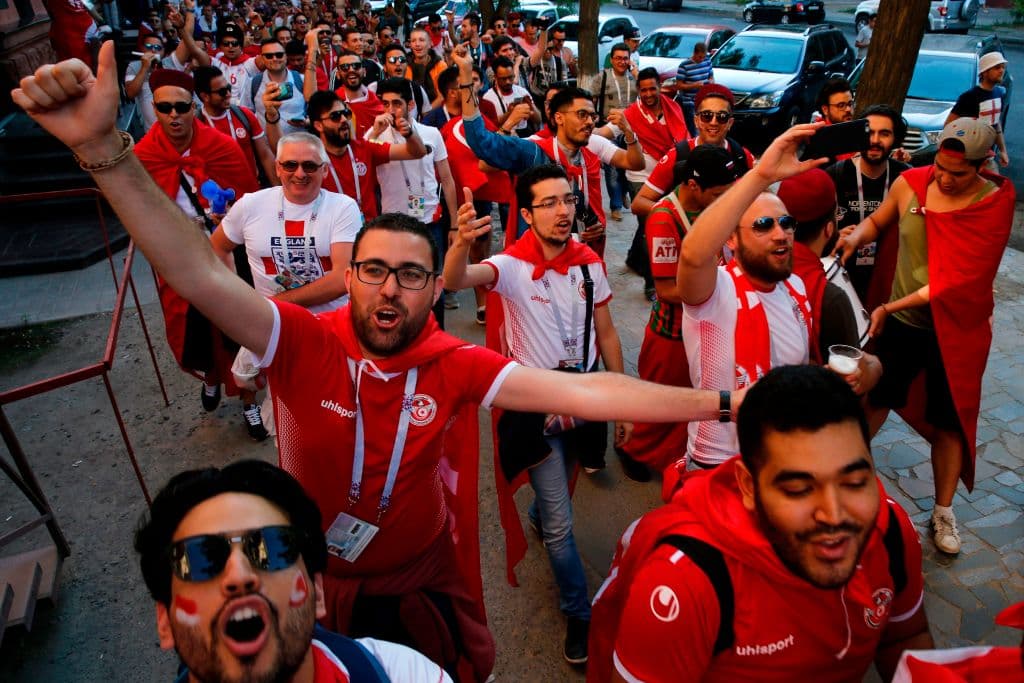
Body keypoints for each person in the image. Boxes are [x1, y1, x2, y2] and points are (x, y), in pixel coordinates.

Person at [13, 42, 747, 680]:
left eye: (411, 273)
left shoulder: (451, 359)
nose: (389, 288)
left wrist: (723, 405)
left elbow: (593, 395)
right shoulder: (300, 338)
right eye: (372, 270)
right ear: (351, 276)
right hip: (318, 577)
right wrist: (104, 152)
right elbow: (196, 274)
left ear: (437, 290)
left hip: (422, 575)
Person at [589, 365, 932, 683]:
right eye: (799, 490)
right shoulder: (685, 583)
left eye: (855, 482)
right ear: (749, 487)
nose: (834, 514)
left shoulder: (891, 532)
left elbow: (903, 635)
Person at [446, 165, 632, 665]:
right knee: (561, 526)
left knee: (565, 482)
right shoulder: (508, 266)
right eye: (547, 203)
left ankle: (540, 511)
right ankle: (579, 612)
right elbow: (457, 279)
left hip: (589, 398)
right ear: (525, 214)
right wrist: (461, 242)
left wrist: (624, 398)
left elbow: (608, 333)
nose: (562, 211)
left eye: (567, 200)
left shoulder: (589, 262)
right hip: (539, 407)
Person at [835, 118, 1016, 555]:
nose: (946, 179)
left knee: (949, 422)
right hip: (903, 324)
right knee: (876, 398)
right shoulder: (911, 184)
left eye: (959, 173)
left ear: (982, 164)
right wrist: (852, 237)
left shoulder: (994, 203)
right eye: (940, 167)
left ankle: (942, 511)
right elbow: (877, 223)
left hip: (956, 332)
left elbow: (956, 283)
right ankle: (838, 475)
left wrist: (887, 307)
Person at [133, 459, 455, 682]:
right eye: (200, 558)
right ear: (164, 620)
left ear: (316, 592)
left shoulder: (406, 675)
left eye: (273, 548)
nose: (240, 575)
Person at [674, 123, 826, 469]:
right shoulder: (715, 294)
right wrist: (761, 175)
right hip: (720, 459)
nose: (781, 234)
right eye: (763, 226)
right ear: (730, 240)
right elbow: (694, 255)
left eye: (786, 223)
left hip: (781, 452)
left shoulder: (796, 289)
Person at [134, 68, 263, 438]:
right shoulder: (143, 156)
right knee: (195, 331)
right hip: (179, 259)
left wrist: (229, 217)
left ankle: (249, 402)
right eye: (164, 107)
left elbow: (247, 198)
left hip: (226, 252)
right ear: (154, 109)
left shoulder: (221, 147)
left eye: (181, 106)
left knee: (240, 328)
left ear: (195, 107)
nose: (174, 115)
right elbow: (139, 212)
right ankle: (210, 378)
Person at [617, 147, 737, 482]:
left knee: (688, 404)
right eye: (717, 193)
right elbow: (666, 290)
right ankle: (631, 451)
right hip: (671, 337)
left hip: (703, 329)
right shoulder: (664, 218)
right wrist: (721, 288)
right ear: (693, 186)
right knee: (658, 408)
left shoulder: (712, 208)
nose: (723, 200)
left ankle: (673, 457)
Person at [456, 44, 644, 257]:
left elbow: (634, 165)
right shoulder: (533, 151)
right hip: (538, 262)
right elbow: (481, 142)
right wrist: (465, 75)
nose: (590, 122)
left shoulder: (590, 151)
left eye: (592, 116)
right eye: (581, 114)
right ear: (558, 117)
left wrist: (596, 225)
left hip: (578, 258)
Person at [212, 132, 360, 317]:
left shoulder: (343, 207)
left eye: (310, 166)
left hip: (329, 323)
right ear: (277, 168)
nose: (300, 173)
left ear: (325, 170)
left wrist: (273, 304)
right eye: (290, 165)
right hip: (270, 325)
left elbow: (342, 278)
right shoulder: (250, 204)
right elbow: (216, 248)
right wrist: (234, 295)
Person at [777, 168, 883, 391]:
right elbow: (854, 376)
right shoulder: (831, 297)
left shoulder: (747, 265)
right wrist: (875, 366)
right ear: (828, 228)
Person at [601, 67, 689, 301]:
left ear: (660, 88)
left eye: (653, 88)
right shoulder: (630, 114)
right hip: (641, 181)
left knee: (646, 228)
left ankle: (633, 258)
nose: (648, 94)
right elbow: (605, 132)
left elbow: (685, 141)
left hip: (671, 178)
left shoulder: (673, 108)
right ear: (638, 91)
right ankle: (653, 283)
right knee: (656, 228)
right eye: (644, 90)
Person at [825, 104, 910, 301]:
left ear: (895, 138)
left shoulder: (906, 176)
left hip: (889, 278)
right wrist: (833, 235)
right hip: (844, 276)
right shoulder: (835, 175)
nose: (874, 140)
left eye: (884, 134)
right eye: (869, 133)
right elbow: (813, 233)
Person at [631, 83, 754, 218]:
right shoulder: (678, 155)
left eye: (722, 116)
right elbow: (639, 203)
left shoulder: (741, 156)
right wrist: (681, 217)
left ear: (730, 123)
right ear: (696, 121)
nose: (713, 122)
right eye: (706, 115)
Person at [305, 89, 426, 220]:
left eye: (346, 113)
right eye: (335, 116)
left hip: (367, 233)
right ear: (318, 125)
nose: (344, 119)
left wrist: (409, 134)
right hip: (333, 234)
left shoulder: (364, 147)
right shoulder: (310, 160)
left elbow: (417, 152)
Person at [194, 66, 278, 189]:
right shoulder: (196, 126)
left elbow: (265, 155)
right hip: (221, 199)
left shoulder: (244, 115)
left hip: (251, 193)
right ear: (205, 96)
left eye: (229, 88)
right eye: (222, 92)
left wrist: (278, 191)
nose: (228, 94)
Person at [587, 43, 637, 224]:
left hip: (629, 128)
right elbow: (590, 101)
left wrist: (637, 73)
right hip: (607, 128)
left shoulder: (634, 79)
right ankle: (616, 205)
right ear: (612, 59)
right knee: (612, 167)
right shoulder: (602, 77)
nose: (622, 62)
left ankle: (622, 192)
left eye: (625, 58)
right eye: (618, 58)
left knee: (628, 164)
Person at [947, 51, 1010, 168]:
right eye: (997, 67)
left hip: (987, 157)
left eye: (1003, 67)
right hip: (968, 159)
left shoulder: (998, 93)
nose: (1001, 71)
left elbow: (996, 124)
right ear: (985, 72)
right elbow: (950, 125)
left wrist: (1003, 150)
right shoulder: (969, 97)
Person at [123, 28, 192, 131]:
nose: (153, 50)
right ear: (141, 48)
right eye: (148, 46)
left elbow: (187, 42)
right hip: (152, 131)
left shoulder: (169, 63)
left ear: (163, 51)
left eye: (157, 47)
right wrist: (144, 68)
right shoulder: (134, 66)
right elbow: (130, 93)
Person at [242, 38, 307, 136]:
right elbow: (246, 115)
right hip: (267, 148)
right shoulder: (253, 83)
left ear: (286, 56)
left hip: (299, 144)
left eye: (279, 55)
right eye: (269, 56)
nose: (275, 58)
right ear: (262, 58)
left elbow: (316, 111)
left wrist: (308, 122)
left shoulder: (302, 80)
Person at [481, 56, 540, 137]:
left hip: (523, 136)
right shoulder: (488, 98)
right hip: (501, 137)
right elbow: (490, 125)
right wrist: (510, 113)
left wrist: (531, 108)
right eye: (503, 79)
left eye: (511, 77)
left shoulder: (522, 92)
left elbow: (538, 120)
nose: (508, 82)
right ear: (495, 77)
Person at [373, 44, 432, 121]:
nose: (398, 63)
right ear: (384, 67)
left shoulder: (417, 89)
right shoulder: (374, 89)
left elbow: (427, 118)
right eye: (392, 60)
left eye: (402, 59)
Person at [674, 41, 713, 137]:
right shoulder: (685, 65)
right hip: (689, 100)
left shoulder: (707, 61)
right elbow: (679, 85)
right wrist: (693, 85)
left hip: (704, 99)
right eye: (700, 57)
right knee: (693, 125)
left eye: (703, 57)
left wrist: (711, 82)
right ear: (695, 53)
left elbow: (711, 76)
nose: (702, 59)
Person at [406, 26, 446, 109]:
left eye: (421, 40)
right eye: (413, 41)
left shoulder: (440, 65)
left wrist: (426, 113)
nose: (417, 44)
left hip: (436, 111)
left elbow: (442, 96)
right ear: (410, 45)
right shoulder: (405, 66)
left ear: (430, 44)